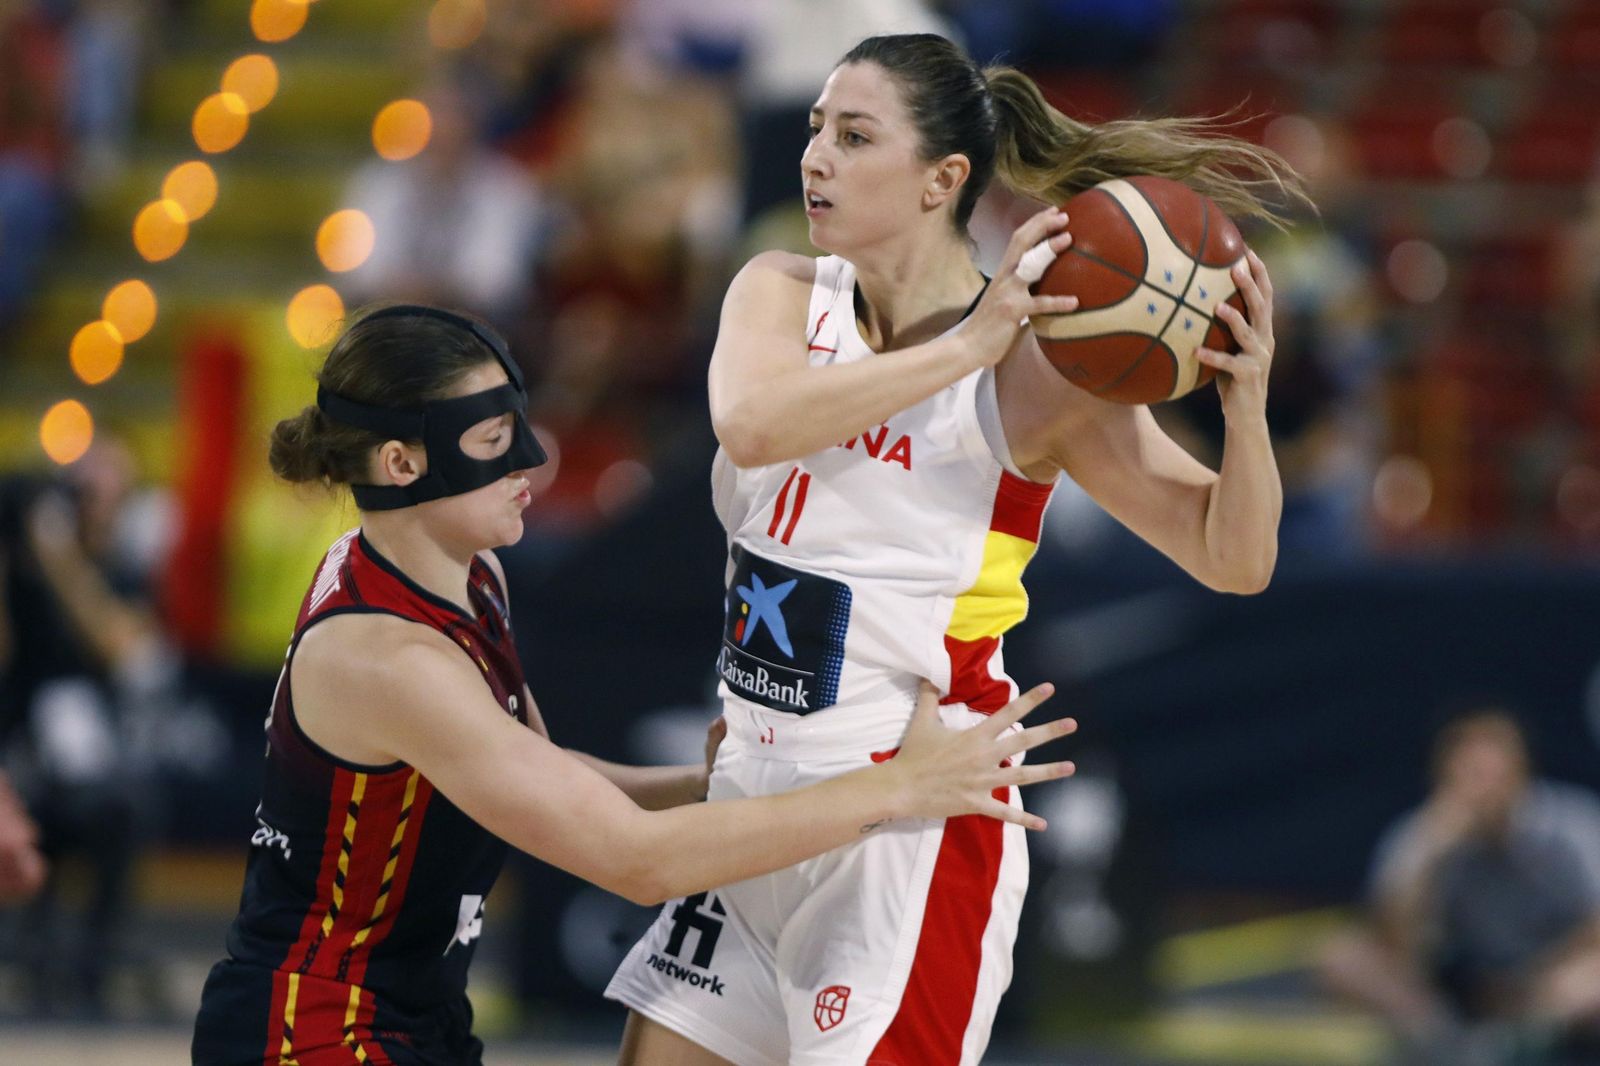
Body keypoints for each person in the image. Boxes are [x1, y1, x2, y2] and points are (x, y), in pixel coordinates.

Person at [606, 32, 1299, 1066]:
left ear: (942, 179)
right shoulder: (780, 292)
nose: (814, 160)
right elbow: (752, 425)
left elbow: (1232, 558)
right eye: (813, 132)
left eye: (851, 136)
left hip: (909, 822)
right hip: (750, 800)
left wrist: (1246, 411)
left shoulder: (1037, 369)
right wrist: (963, 345)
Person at [189, 304, 1074, 1065]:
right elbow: (637, 863)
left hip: (408, 1013)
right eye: (496, 443)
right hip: (310, 1028)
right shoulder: (390, 661)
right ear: (401, 465)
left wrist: (706, 785)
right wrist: (899, 786)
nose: (532, 463)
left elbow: (539, 770)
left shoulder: (461, 572)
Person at [1318, 711, 1600, 1065]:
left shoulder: (1572, 827)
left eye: (1492, 775)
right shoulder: (1422, 836)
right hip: (1461, 985)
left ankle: (1520, 1041)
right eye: (1470, 776)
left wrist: (1533, 981)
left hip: (1545, 981)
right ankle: (1448, 1045)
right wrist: (1428, 855)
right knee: (1341, 956)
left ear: (1521, 773)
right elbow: (1397, 948)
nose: (1483, 790)